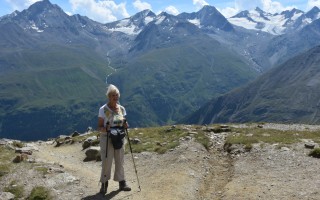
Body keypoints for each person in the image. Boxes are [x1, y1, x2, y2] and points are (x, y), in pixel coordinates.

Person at [98, 84, 131, 195]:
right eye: (113, 95)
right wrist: (105, 129)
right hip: (107, 138)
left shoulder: (121, 109)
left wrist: (126, 125)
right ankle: (104, 184)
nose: (115, 97)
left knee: (120, 159)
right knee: (107, 161)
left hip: (119, 137)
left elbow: (122, 123)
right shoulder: (103, 109)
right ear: (109, 96)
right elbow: (100, 127)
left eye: (116, 95)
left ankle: (122, 182)